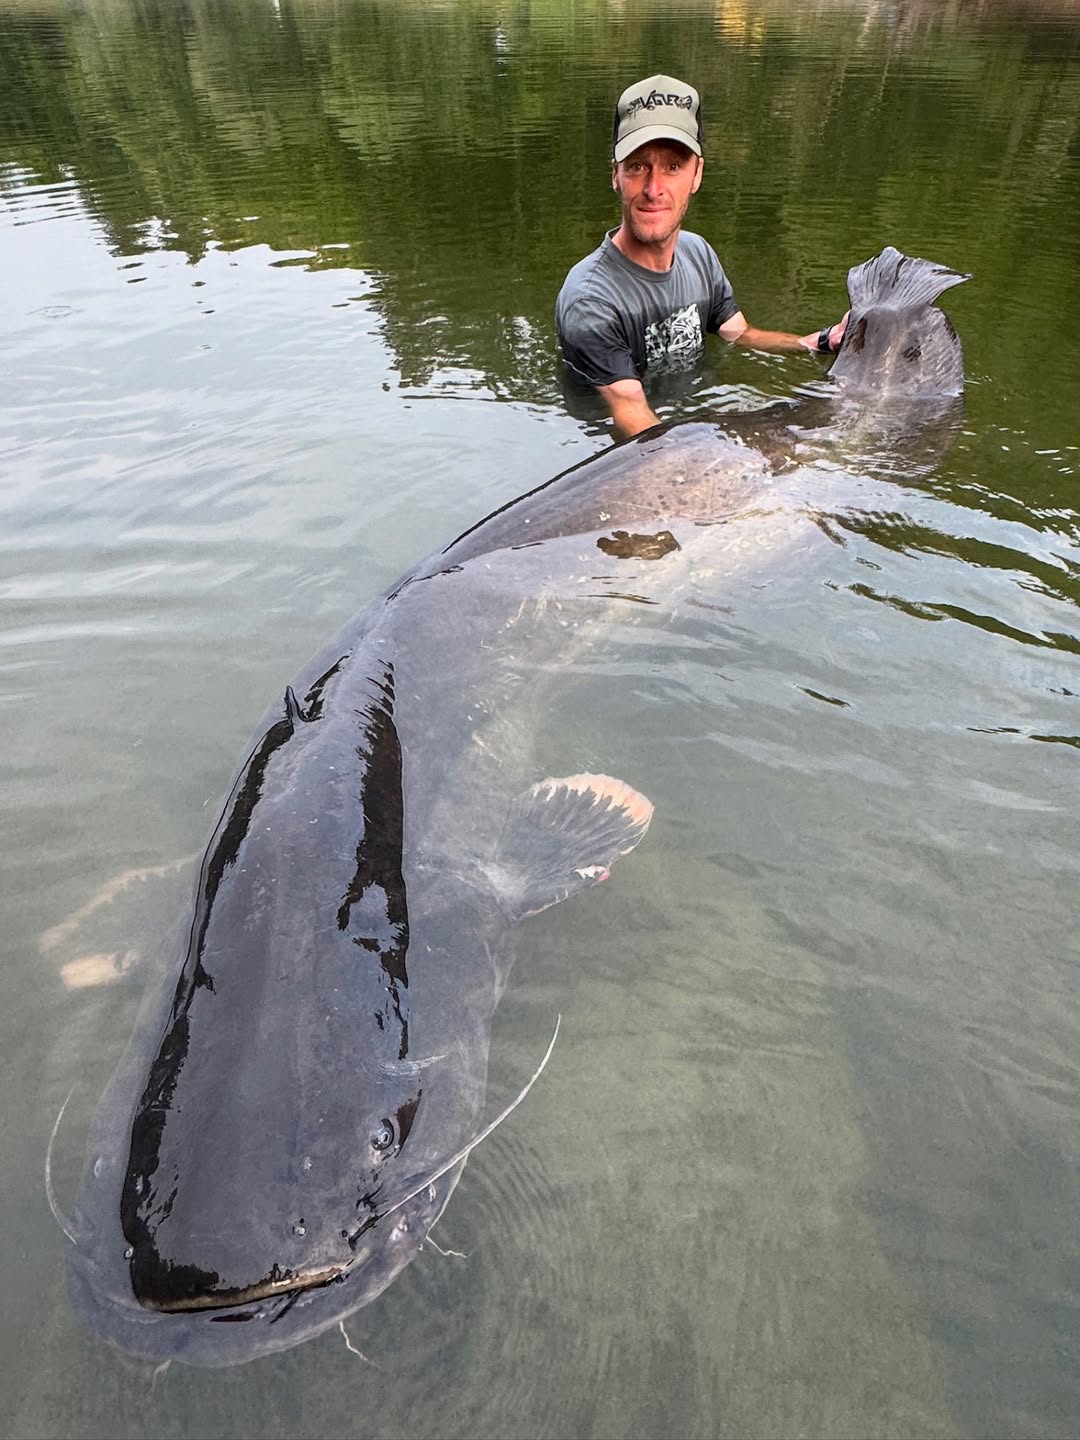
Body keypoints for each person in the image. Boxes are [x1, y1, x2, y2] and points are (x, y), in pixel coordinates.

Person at [555, 74, 848, 440]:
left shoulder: (698, 253)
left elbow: (739, 334)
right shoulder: (590, 299)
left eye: (673, 167)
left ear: (697, 174)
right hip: (617, 456)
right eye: (637, 166)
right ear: (615, 175)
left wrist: (819, 341)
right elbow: (629, 410)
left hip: (692, 426)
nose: (654, 189)